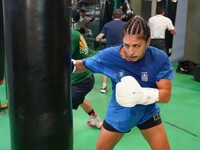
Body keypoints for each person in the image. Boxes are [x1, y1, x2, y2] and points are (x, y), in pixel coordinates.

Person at [72, 15, 174, 150]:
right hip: (119, 113)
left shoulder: (159, 58)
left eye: (137, 46)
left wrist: (140, 95)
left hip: (147, 113)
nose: (131, 51)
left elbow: (166, 95)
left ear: (148, 42)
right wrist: (56, 65)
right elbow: (81, 65)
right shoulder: (109, 56)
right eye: (127, 45)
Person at [71, 29, 102, 129]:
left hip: (80, 80)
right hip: (82, 78)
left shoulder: (71, 35)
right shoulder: (73, 33)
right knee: (80, 99)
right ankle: (95, 119)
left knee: (61, 106)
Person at [95, 9, 126, 93]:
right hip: (121, 50)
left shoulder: (107, 25)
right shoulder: (125, 25)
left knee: (107, 67)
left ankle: (104, 86)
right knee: (120, 67)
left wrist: (100, 40)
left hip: (109, 51)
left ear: (113, 17)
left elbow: (98, 38)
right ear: (121, 16)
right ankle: (120, 85)